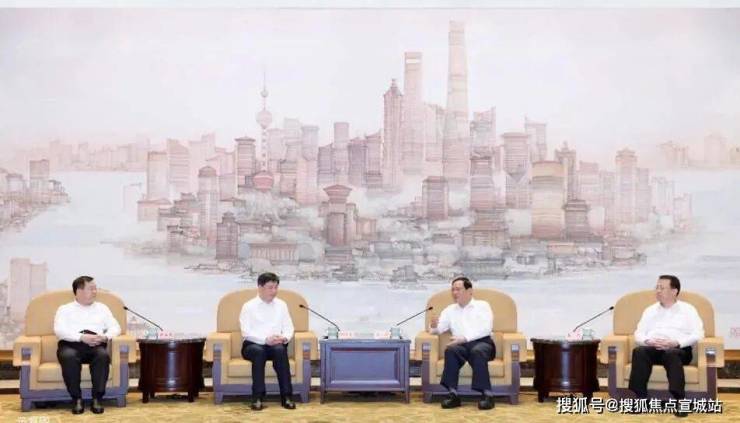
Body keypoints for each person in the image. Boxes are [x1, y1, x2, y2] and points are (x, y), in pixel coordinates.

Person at [628, 275, 704, 418]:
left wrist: (677, 342)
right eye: (656, 287)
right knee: (639, 351)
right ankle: (640, 399)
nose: (657, 291)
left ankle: (680, 401)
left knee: (671, 354)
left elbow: (698, 334)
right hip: (654, 348)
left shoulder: (688, 310)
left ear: (674, 291)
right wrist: (648, 341)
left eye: (662, 288)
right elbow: (638, 333)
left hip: (679, 349)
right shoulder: (650, 310)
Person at [53, 276, 121, 415]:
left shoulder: (102, 308)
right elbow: (59, 330)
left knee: (102, 356)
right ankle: (77, 399)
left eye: (95, 288)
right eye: (91, 288)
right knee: (69, 357)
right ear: (79, 291)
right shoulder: (64, 309)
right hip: (71, 344)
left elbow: (116, 327)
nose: (95, 291)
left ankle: (97, 398)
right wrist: (81, 337)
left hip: (95, 344)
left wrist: (105, 336)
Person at [429, 276, 495, 410]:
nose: (455, 292)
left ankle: (487, 395)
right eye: (453, 290)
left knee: (477, 351)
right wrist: (434, 326)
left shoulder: (482, 306)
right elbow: (438, 329)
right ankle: (453, 395)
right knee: (451, 350)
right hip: (461, 346)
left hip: (482, 343)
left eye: (458, 289)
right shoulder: (450, 310)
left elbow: (486, 328)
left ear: (469, 291)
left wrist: (464, 338)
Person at [239, 272, 296, 411]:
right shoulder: (248, 306)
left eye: (276, 287)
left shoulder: (282, 305)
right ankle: (257, 397)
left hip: (275, 344)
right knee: (259, 352)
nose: (274, 291)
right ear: (260, 287)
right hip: (253, 344)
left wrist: (284, 338)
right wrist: (265, 340)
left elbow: (289, 327)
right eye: (270, 287)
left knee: (280, 350)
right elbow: (246, 332)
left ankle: (286, 396)